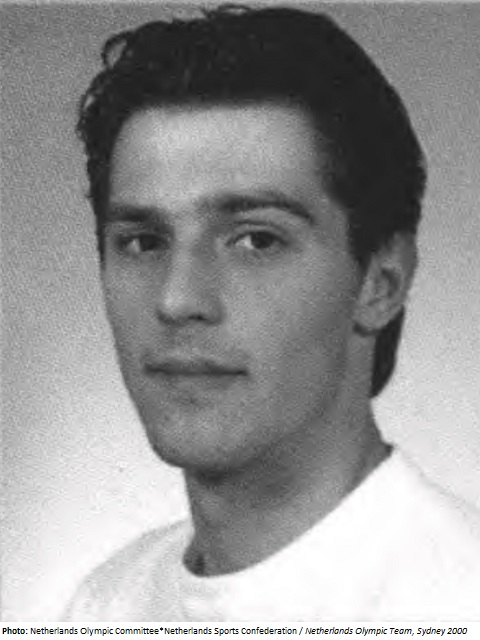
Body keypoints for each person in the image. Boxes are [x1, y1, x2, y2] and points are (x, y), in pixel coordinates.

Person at [64, 5, 480, 621]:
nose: (177, 298)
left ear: (380, 282)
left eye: (257, 240)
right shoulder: (103, 605)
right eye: (143, 242)